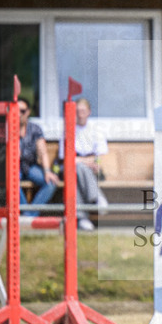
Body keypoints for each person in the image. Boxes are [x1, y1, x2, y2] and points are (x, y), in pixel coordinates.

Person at [58, 97, 109, 231]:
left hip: (91, 169)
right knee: (74, 170)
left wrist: (91, 162)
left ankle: (82, 218)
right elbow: (65, 157)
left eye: (83, 111)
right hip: (71, 166)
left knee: (75, 172)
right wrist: (84, 161)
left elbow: (99, 156)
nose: (80, 114)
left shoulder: (96, 129)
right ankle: (96, 197)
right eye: (77, 111)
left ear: (89, 112)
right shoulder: (68, 130)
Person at [17, 97, 58, 217]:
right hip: (14, 167)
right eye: (16, 111)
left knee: (51, 182)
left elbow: (43, 151)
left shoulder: (35, 129)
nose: (19, 114)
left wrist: (47, 171)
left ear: (28, 112)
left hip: (30, 166)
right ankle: (27, 214)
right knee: (9, 181)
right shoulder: (7, 129)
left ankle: (28, 216)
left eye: (22, 111)